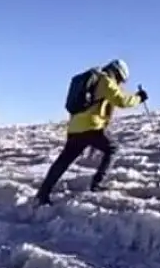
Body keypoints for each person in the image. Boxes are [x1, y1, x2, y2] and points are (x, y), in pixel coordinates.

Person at [34, 58, 146, 205]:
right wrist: (139, 97)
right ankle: (97, 184)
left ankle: (43, 194)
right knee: (113, 148)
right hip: (91, 127)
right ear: (117, 73)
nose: (120, 83)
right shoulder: (106, 80)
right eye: (120, 79)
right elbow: (121, 101)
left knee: (63, 161)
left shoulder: (93, 79)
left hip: (75, 128)